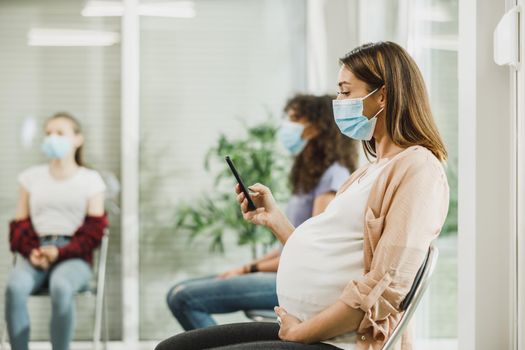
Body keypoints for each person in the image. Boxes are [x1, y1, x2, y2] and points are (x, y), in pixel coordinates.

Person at [156, 41, 450, 350]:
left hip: (341, 341)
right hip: (310, 330)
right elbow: (329, 250)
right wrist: (276, 221)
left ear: (384, 95)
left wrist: (302, 333)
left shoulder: (418, 170)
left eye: (346, 92)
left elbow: (385, 285)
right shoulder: (370, 170)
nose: (339, 101)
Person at [166, 94, 359, 331]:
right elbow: (286, 243)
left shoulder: (333, 177)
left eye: (295, 119)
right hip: (284, 268)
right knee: (179, 290)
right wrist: (246, 266)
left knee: (183, 297)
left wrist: (249, 270)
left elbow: (310, 250)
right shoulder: (310, 176)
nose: (287, 126)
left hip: (296, 279)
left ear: (317, 127)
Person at [5, 112, 108, 350]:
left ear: (78, 139)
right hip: (36, 250)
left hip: (74, 255)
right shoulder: (30, 178)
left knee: (61, 286)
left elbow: (94, 231)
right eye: (48, 133)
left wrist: (59, 253)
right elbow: (19, 226)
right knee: (15, 287)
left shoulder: (91, 180)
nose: (52, 138)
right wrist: (33, 251)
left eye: (60, 133)